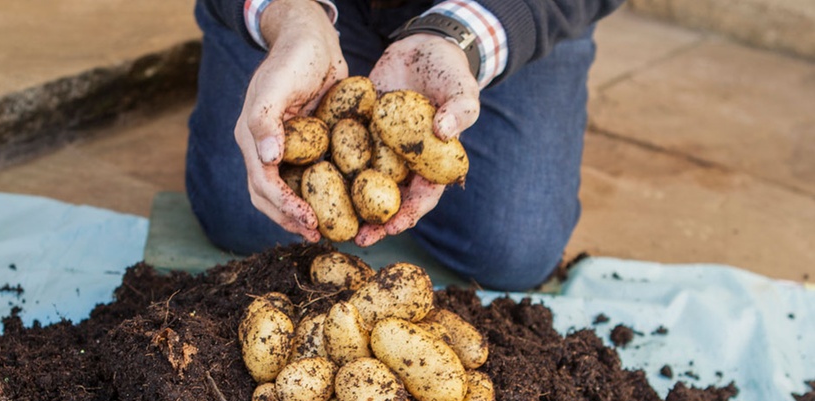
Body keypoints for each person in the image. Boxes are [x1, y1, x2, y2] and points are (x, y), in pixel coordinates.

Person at [185, 0, 624, 290]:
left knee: (511, 248)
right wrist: (287, 16)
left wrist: (464, 32)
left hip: (499, 9)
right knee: (242, 212)